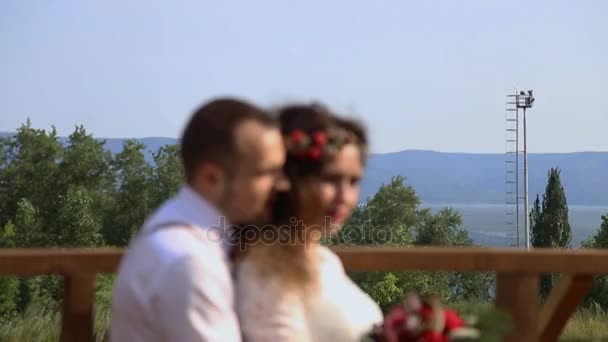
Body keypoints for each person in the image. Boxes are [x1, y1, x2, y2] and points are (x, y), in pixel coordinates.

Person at [110, 97, 289, 341]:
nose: (283, 185)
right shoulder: (191, 263)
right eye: (266, 173)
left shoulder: (177, 234)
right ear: (211, 177)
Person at [233, 103, 383, 341]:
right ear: (289, 181)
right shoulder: (267, 272)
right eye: (331, 179)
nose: (344, 197)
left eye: (353, 182)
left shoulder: (325, 260)